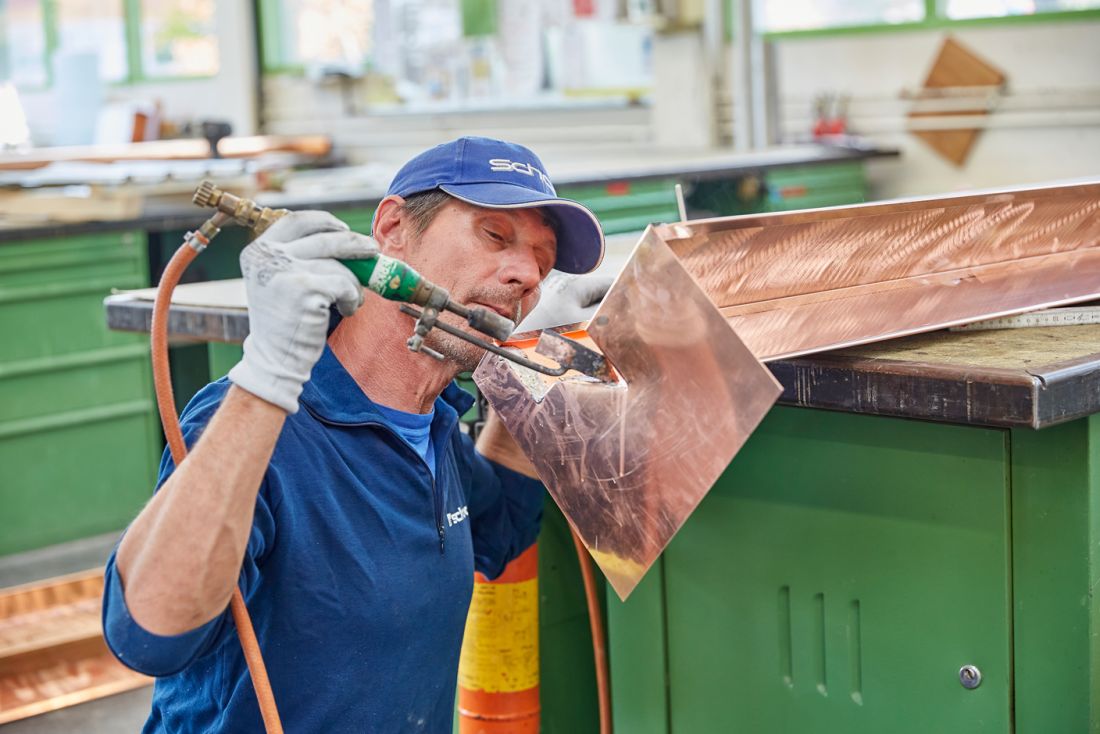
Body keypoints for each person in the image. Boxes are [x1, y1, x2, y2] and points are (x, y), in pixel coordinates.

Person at [102, 136, 610, 733]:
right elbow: (149, 634)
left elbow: (497, 531)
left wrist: (532, 377)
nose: (526, 274)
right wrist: (266, 379)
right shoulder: (259, 427)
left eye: (543, 262)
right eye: (495, 236)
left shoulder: (435, 424)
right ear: (393, 228)